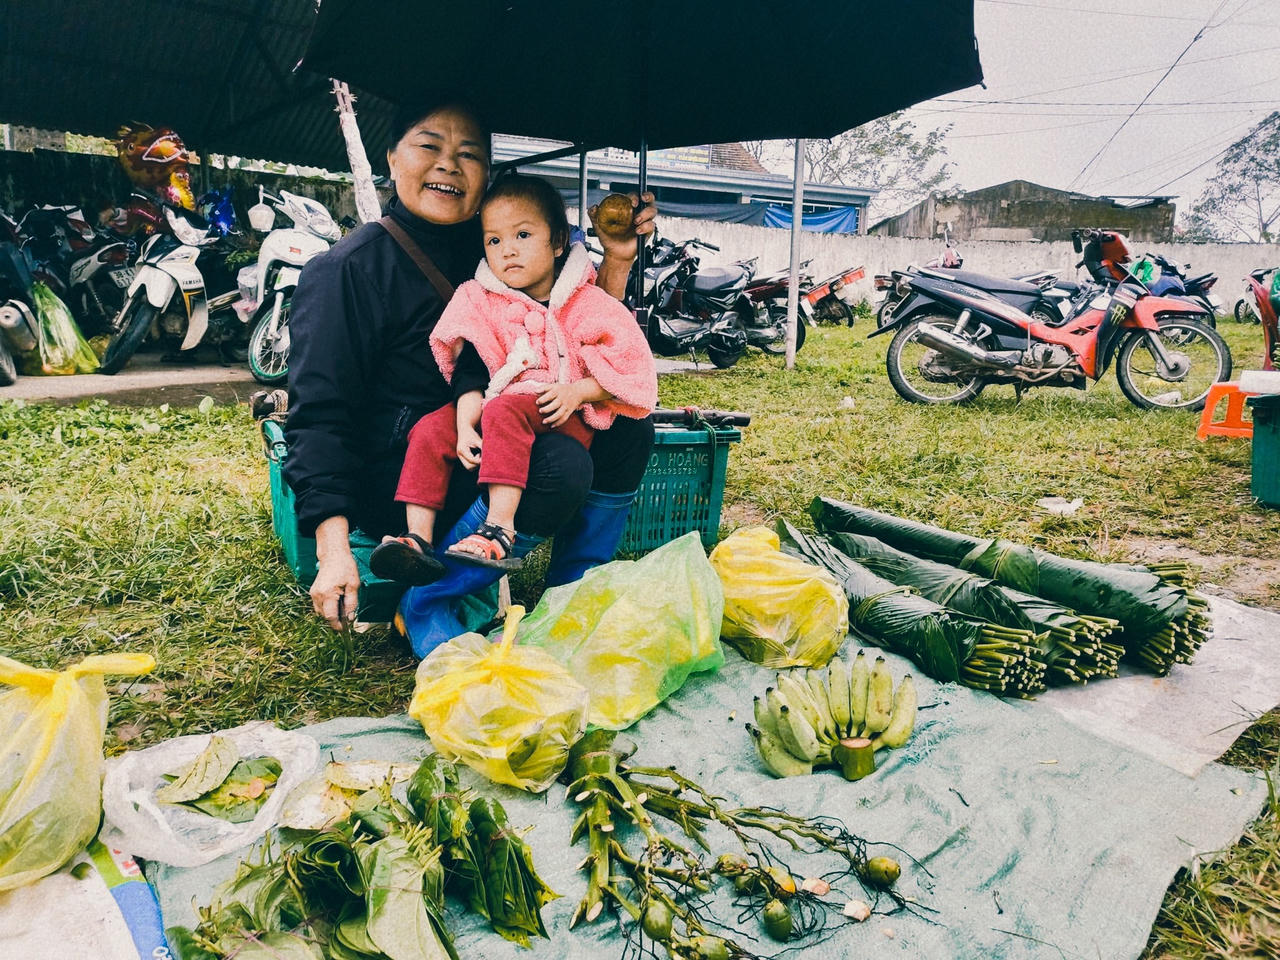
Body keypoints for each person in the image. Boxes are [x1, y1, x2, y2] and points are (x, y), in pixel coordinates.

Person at [283, 98, 657, 644]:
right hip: (408, 471)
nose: (448, 166)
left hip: (494, 436)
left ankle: (574, 590)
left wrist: (617, 259)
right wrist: (334, 550)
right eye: (429, 146)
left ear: (488, 173)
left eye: (469, 154)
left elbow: (578, 330)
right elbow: (317, 419)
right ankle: (428, 593)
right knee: (560, 465)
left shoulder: (499, 241)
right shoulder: (345, 272)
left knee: (626, 424)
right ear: (391, 158)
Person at [369, 174, 657, 581]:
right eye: (494, 241)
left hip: (557, 411)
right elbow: (470, 366)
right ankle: (416, 540)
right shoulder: (483, 299)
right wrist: (465, 422)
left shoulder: (585, 300)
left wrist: (578, 391)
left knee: (504, 410)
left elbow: (626, 362)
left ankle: (498, 529)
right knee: (431, 429)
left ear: (558, 242)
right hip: (499, 408)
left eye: (522, 234)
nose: (508, 251)